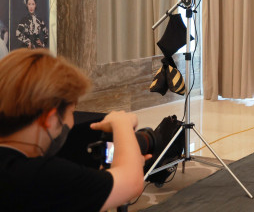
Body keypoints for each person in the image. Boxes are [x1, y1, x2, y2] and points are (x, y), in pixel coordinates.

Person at [0, 49, 147, 211]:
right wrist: (122, 122)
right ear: (50, 118)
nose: (71, 121)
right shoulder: (42, 176)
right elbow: (131, 183)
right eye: (71, 111)